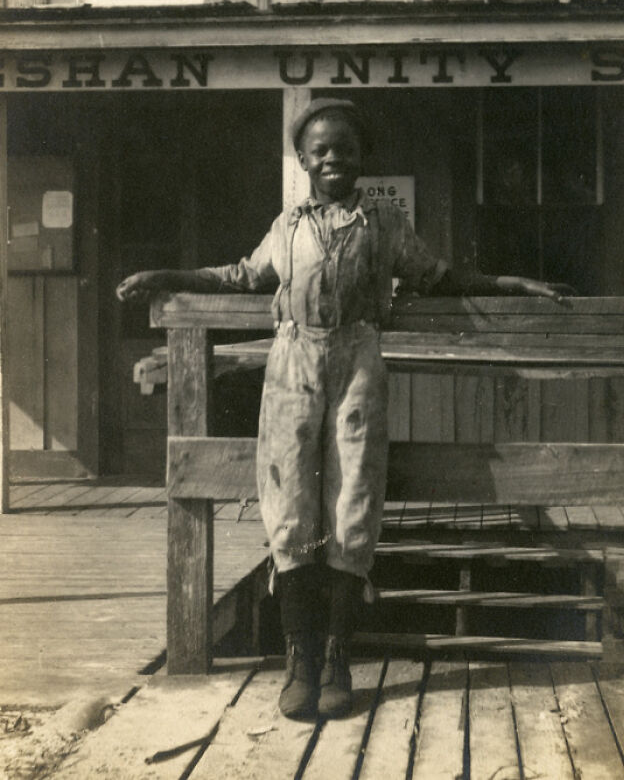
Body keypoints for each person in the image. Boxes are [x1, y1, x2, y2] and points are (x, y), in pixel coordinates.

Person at [117, 98, 566, 722]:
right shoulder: (288, 226)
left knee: (353, 505)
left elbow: (439, 278)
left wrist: (511, 285)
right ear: (302, 160)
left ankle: (337, 658)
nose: (333, 159)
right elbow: (241, 276)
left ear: (362, 160)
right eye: (321, 150)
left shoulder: (383, 224)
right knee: (290, 503)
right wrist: (166, 274)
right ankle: (299, 659)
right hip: (293, 363)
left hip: (357, 361)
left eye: (345, 150)